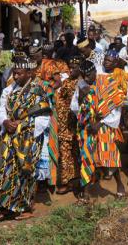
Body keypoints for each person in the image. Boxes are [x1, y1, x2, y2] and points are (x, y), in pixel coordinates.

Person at [0, 55, 51, 222]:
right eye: (14, 73)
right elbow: (1, 110)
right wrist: (5, 121)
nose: (15, 76)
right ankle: (4, 206)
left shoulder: (38, 91)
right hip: (9, 136)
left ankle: (26, 207)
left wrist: (22, 127)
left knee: (25, 172)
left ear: (29, 73)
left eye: (19, 73)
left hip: (29, 140)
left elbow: (44, 117)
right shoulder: (9, 90)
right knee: (4, 170)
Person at [75, 59, 128, 200]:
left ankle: (120, 186)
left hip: (104, 126)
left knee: (109, 156)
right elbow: (74, 108)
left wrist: (100, 122)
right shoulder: (81, 86)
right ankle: (86, 193)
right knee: (86, 158)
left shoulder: (106, 83)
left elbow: (116, 107)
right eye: (84, 77)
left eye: (90, 75)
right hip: (87, 128)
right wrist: (81, 98)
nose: (88, 79)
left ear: (95, 72)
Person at [53, 56, 82, 195]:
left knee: (72, 152)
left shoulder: (81, 84)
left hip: (75, 123)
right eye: (69, 67)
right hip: (63, 122)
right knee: (66, 152)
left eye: (74, 68)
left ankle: (72, 181)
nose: (71, 70)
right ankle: (70, 180)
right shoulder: (67, 81)